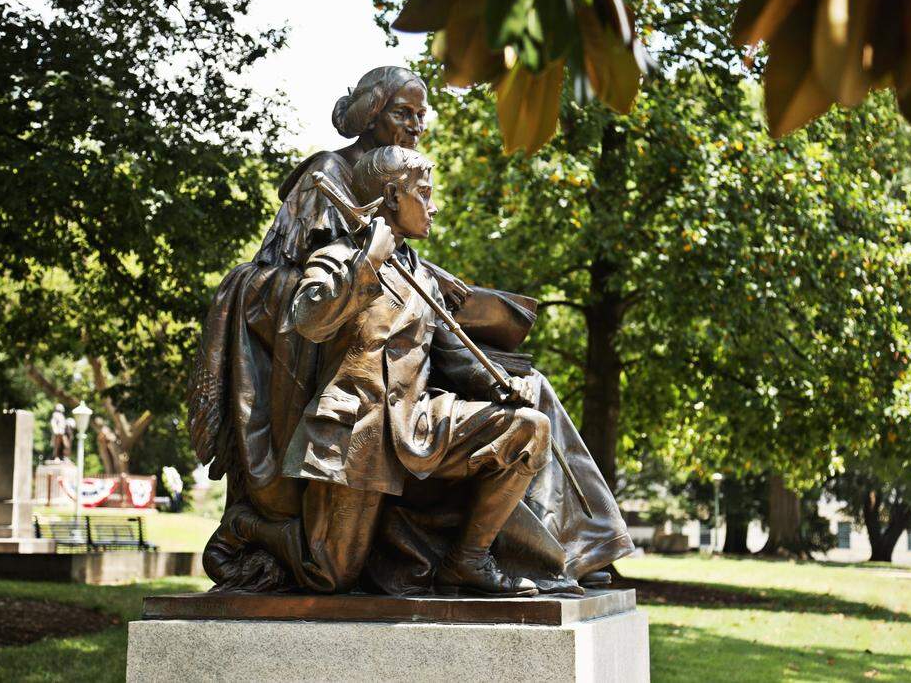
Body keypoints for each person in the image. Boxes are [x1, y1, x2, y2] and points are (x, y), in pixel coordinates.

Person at [188, 66, 631, 594]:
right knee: (330, 572)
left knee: (531, 396)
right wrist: (370, 260)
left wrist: (439, 292)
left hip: (408, 393)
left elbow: (425, 317)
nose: (416, 124)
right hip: (344, 377)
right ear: (371, 117)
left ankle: (569, 549)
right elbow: (291, 293)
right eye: (404, 112)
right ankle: (255, 529)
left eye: (422, 114)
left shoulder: (411, 255)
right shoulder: (328, 176)